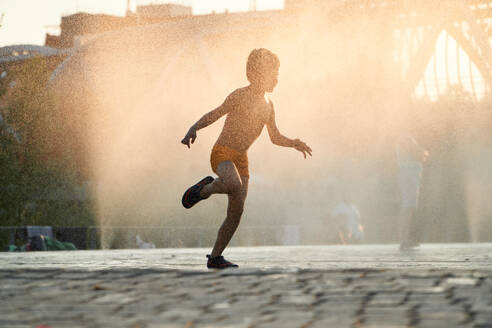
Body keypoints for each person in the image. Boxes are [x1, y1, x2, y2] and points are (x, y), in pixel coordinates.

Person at [181, 48, 312, 269]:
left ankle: (215, 258)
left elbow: (275, 137)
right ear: (256, 74)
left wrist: (293, 143)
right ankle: (203, 190)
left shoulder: (269, 107)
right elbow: (215, 113)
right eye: (273, 73)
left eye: (277, 73)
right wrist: (194, 128)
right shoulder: (239, 95)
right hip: (222, 152)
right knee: (233, 183)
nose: (277, 79)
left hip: (241, 159)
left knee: (236, 212)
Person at [396, 131, 429, 250]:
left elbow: (421, 154)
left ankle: (405, 239)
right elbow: (420, 153)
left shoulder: (408, 144)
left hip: (411, 182)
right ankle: (403, 240)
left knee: (409, 209)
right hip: (409, 181)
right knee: (407, 208)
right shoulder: (405, 140)